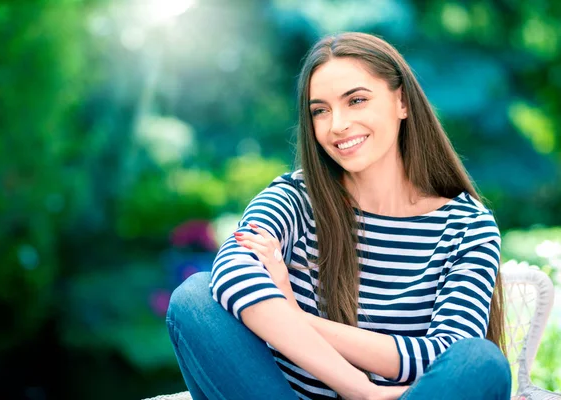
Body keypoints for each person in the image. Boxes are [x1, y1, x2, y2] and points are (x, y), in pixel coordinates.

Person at [166, 32, 512, 400]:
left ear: (403, 102)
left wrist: (296, 319)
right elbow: (233, 275)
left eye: (357, 100)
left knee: (480, 361)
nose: (337, 125)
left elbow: (446, 354)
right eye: (320, 110)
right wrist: (360, 390)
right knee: (195, 299)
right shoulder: (295, 199)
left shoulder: (467, 227)